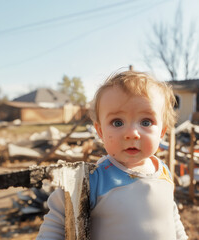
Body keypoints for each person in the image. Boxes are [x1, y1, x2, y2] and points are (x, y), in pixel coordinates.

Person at [36, 70, 188, 239]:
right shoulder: (94, 179)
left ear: (162, 132)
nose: (132, 133)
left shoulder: (164, 173)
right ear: (100, 131)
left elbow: (172, 216)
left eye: (146, 122)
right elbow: (57, 220)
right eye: (117, 122)